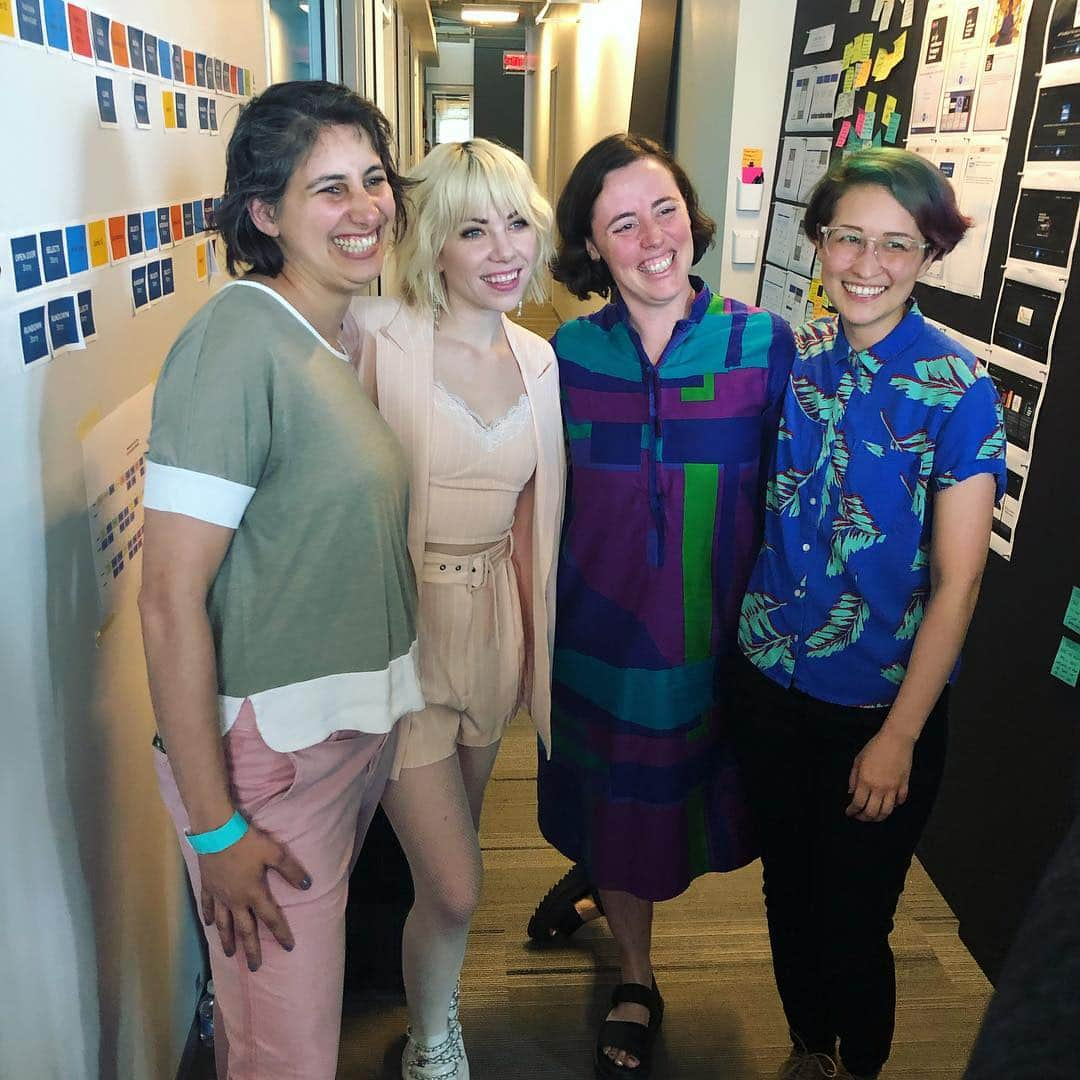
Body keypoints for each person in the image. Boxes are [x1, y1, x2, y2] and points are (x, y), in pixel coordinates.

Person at [139, 81, 423, 1080]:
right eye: (328, 189)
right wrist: (217, 828)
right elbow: (168, 599)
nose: (365, 210)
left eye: (374, 180)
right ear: (264, 214)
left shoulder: (323, 335)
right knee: (286, 1054)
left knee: (283, 1031)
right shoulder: (235, 343)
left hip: (333, 746)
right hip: (268, 774)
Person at [728, 148, 1007, 1080]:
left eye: (897, 244)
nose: (867, 263)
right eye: (847, 236)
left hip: (877, 709)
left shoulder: (958, 392)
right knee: (786, 895)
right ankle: (809, 1048)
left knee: (855, 921)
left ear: (928, 256)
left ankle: (857, 1064)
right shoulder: (804, 370)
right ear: (819, 242)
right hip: (771, 681)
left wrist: (898, 737)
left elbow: (958, 586)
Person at [529, 133, 795, 1080]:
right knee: (613, 804)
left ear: (694, 214)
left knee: (677, 808)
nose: (653, 238)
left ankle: (607, 882)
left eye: (667, 210)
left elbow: (790, 499)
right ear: (592, 247)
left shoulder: (763, 344)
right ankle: (636, 976)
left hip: (709, 638)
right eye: (623, 222)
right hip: (593, 640)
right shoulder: (564, 356)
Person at [343, 138, 565, 1080]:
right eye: (473, 229)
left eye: (516, 222)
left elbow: (528, 526)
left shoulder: (540, 359)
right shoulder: (374, 338)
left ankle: (435, 1008)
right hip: (398, 633)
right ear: (432, 243)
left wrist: (527, 659)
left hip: (491, 637)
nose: (502, 249)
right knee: (458, 881)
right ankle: (429, 1043)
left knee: (452, 866)